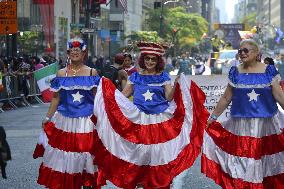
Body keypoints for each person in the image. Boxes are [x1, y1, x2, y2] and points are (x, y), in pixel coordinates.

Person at [91, 41, 208, 189]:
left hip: (159, 122)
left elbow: (169, 97)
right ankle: (141, 181)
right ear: (143, 60)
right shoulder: (135, 77)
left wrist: (177, 83)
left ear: (158, 61)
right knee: (140, 152)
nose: (150, 62)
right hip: (140, 121)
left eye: (153, 59)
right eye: (147, 59)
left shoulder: (163, 77)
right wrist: (107, 97)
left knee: (158, 153)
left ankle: (159, 182)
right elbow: (122, 96)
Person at [202, 39, 284, 188]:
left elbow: (279, 96)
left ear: (256, 52)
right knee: (243, 160)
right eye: (240, 51)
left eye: (245, 50)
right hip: (241, 125)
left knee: (265, 162)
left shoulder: (269, 71)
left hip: (265, 125)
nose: (242, 53)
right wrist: (212, 117)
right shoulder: (236, 72)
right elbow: (226, 97)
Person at [34, 38, 104, 189]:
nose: (74, 53)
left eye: (77, 51)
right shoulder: (61, 73)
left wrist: (102, 118)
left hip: (85, 121)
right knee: (65, 155)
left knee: (85, 153)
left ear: (83, 53)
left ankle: (86, 183)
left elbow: (98, 98)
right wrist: (48, 117)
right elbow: (56, 98)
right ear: (68, 53)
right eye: (72, 51)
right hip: (64, 120)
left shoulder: (92, 72)